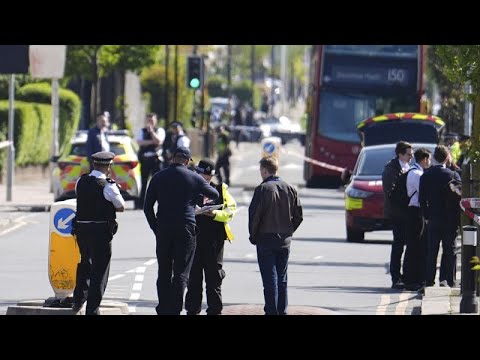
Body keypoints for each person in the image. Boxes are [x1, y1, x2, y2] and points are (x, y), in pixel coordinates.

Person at [143, 146, 219, 315]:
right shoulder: (194, 178)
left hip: (163, 229)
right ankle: (175, 309)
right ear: (187, 161)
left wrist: (156, 227)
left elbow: (147, 207)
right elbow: (214, 194)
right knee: (181, 272)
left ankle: (163, 308)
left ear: (172, 158)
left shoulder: (158, 177)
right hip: (186, 228)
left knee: (163, 270)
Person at [71, 151, 125, 315]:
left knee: (85, 264)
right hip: (100, 232)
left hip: (81, 230)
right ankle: (92, 308)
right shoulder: (108, 185)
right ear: (109, 167)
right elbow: (121, 206)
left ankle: (78, 300)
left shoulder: (81, 181)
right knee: (100, 270)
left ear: (93, 164)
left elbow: (80, 197)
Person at [248, 156, 303, 315]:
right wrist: (289, 231)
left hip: (265, 239)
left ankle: (271, 311)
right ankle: (282, 311)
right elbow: (299, 215)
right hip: (284, 240)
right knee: (282, 278)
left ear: (265, 170)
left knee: (270, 279)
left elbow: (255, 216)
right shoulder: (290, 188)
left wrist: (253, 236)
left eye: (261, 171)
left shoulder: (262, 189)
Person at [185, 158, 237, 315]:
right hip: (193, 241)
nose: (206, 180)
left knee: (214, 281)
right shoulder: (189, 188)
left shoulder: (221, 190)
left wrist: (214, 213)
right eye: (203, 176)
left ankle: (215, 311)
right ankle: (192, 311)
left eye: (208, 177)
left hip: (215, 242)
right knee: (193, 281)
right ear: (197, 173)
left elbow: (230, 212)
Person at [420, 145, 461, 288]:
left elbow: (422, 198)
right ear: (446, 157)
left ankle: (429, 280)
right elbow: (459, 198)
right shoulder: (453, 175)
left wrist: (426, 216)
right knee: (449, 250)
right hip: (450, 219)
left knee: (432, 250)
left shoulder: (426, 175)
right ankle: (446, 279)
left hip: (433, 217)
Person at [382, 141, 413, 290]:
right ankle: (395, 277)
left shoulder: (408, 167)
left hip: (408, 213)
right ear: (400, 154)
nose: (411, 156)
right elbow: (391, 192)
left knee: (409, 244)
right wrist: (407, 200)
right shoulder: (391, 169)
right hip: (398, 213)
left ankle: (407, 276)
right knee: (398, 244)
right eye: (408, 154)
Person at [403, 147, 431, 291]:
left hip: (415, 211)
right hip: (414, 212)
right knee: (414, 246)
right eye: (429, 159)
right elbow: (424, 193)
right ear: (424, 159)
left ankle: (413, 278)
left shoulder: (415, 171)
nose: (430, 162)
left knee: (416, 245)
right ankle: (410, 279)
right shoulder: (417, 174)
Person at [135, 113, 166, 209]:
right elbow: (139, 142)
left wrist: (152, 132)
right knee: (143, 182)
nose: (150, 122)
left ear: (155, 121)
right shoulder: (142, 131)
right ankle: (141, 204)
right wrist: (152, 142)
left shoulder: (159, 130)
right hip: (145, 160)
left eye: (152, 120)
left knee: (158, 182)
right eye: (148, 120)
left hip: (156, 160)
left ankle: (162, 203)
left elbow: (159, 141)